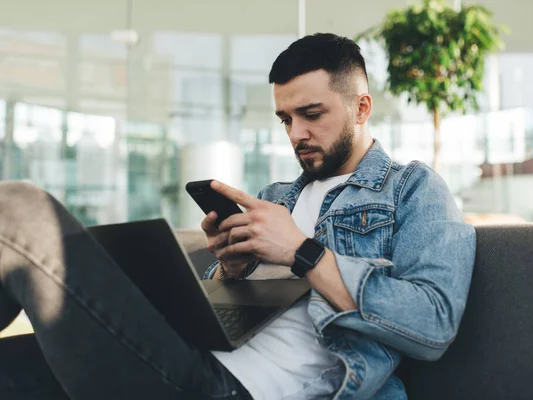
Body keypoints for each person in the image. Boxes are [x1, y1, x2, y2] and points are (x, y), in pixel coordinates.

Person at [0, 33, 475, 400]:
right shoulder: (275, 197)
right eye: (286, 119)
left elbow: (433, 323)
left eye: (312, 114)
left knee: (19, 209)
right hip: (186, 358)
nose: (297, 133)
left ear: (362, 107)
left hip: (233, 388)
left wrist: (302, 252)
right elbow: (228, 309)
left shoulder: (411, 188)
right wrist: (230, 269)